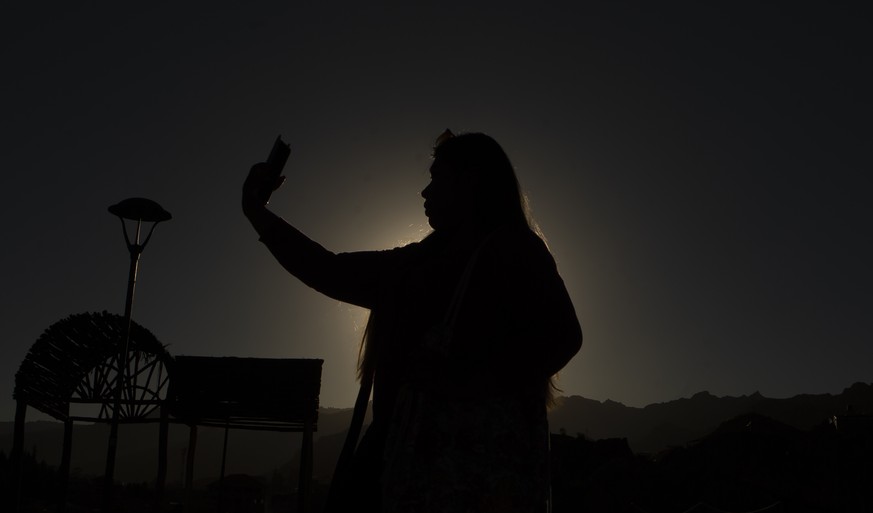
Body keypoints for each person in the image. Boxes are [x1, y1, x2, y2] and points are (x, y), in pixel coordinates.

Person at [242, 130, 582, 513]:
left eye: (437, 177)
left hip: (462, 474)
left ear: (471, 181)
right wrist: (257, 213)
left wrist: (465, 381)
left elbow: (562, 335)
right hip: (406, 459)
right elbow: (331, 270)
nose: (425, 192)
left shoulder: (511, 250)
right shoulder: (419, 262)